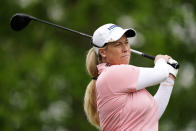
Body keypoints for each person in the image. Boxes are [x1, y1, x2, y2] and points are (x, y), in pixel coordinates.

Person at [84, 23, 178, 131]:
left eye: (126, 42)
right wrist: (161, 60)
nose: (125, 49)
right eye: (118, 44)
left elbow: (151, 116)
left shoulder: (124, 80)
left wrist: (170, 76)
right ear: (103, 52)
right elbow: (160, 73)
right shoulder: (112, 74)